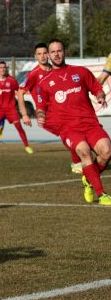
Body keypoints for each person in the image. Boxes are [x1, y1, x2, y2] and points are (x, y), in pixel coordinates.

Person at [36, 39, 111, 206]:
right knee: (85, 152)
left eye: (59, 51)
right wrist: (40, 114)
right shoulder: (44, 83)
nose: (56, 54)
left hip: (90, 123)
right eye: (53, 51)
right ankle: (102, 194)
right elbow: (41, 107)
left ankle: (89, 179)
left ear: (65, 52)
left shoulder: (80, 72)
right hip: (69, 129)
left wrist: (100, 96)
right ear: (48, 55)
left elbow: (97, 88)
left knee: (106, 152)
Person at [17, 43, 82, 173]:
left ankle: (78, 162)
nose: (42, 56)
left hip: (62, 111)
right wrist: (24, 114)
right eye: (39, 54)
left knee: (76, 133)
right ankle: (77, 162)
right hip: (47, 115)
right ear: (36, 56)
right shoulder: (33, 74)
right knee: (71, 133)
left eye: (45, 53)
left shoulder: (55, 70)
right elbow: (20, 92)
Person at [0, 61, 33, 155]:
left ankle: (27, 146)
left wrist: (20, 101)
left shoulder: (12, 81)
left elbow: (19, 91)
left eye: (4, 67)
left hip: (10, 109)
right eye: (1, 67)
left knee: (19, 127)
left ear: (6, 69)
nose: (3, 69)